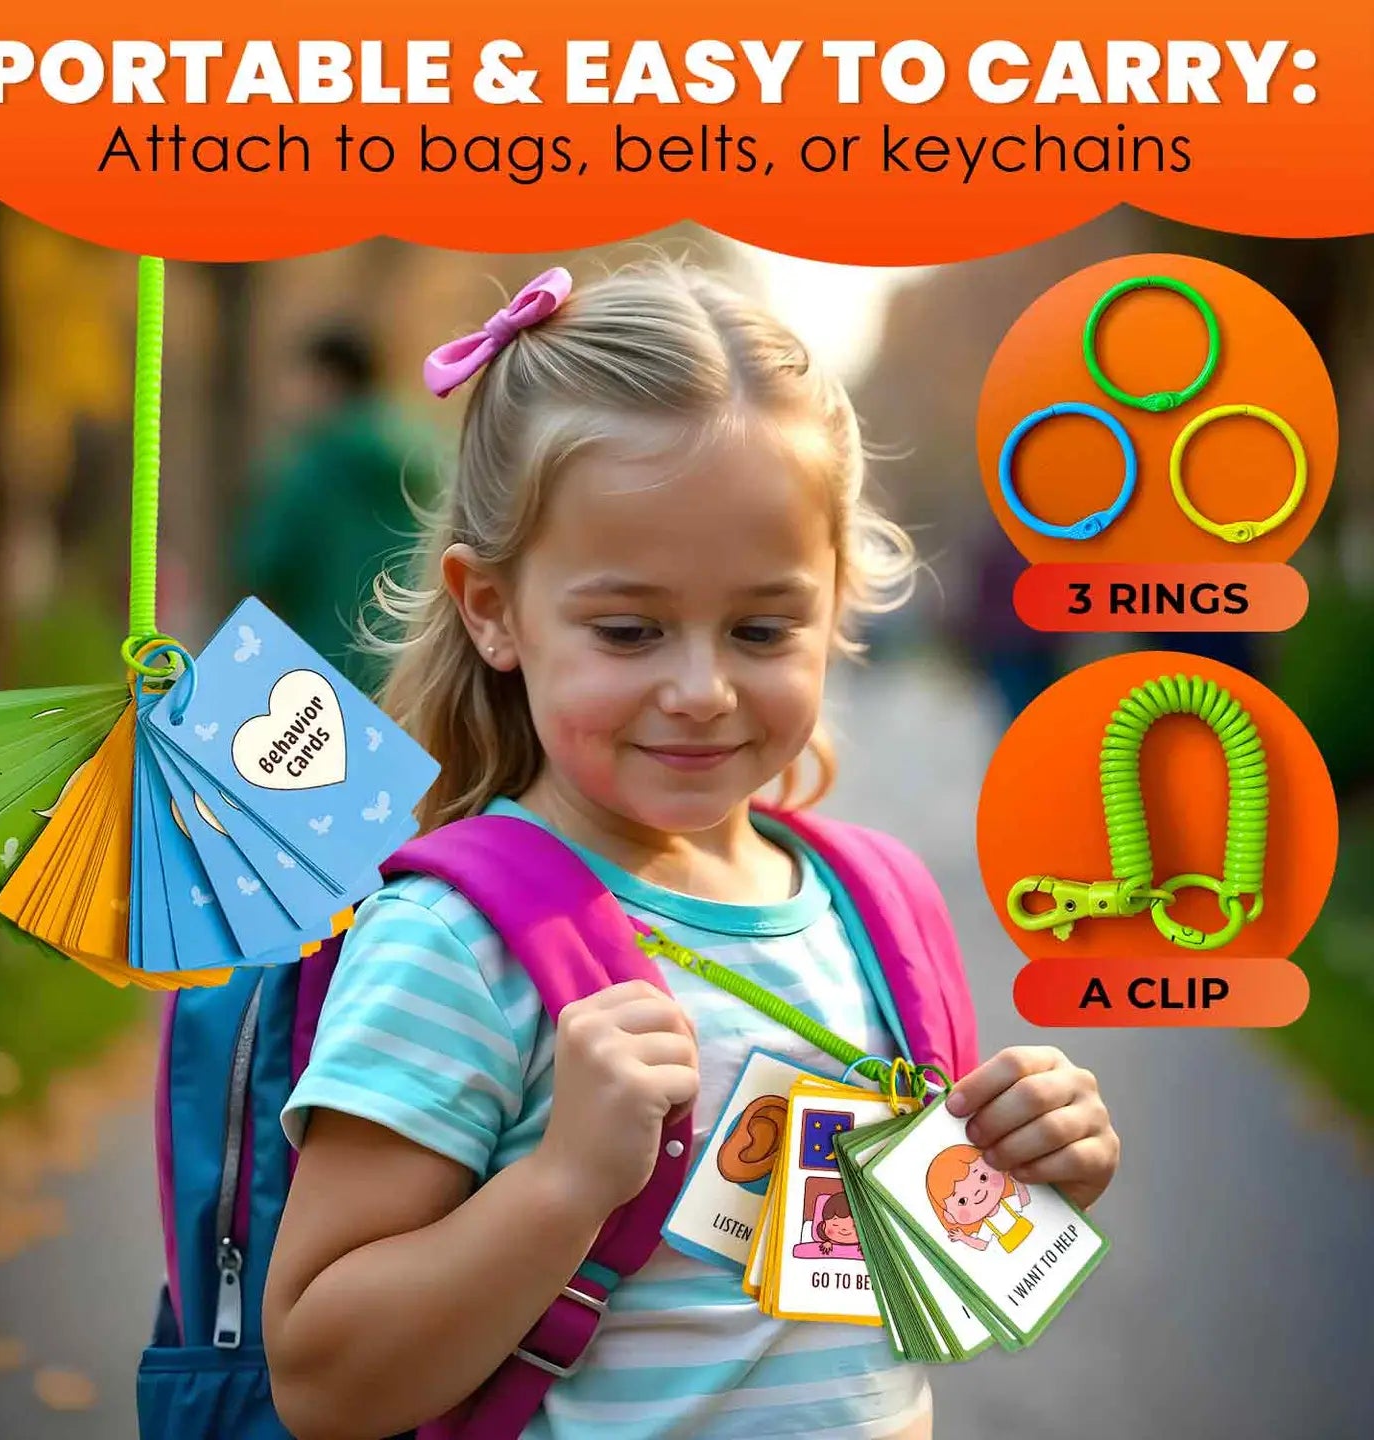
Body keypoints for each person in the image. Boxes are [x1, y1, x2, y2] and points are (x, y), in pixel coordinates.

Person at [263, 262, 1121, 1440]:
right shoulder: (458, 947)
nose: (702, 688)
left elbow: (856, 1303)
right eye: (629, 630)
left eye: (763, 628)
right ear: (492, 609)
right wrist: (562, 1184)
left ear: (837, 604)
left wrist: (1021, 1173)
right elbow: (322, 1380)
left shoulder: (870, 913)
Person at [234, 323, 443, 693]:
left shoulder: (312, 466)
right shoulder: (426, 457)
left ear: (329, 379)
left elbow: (267, 565)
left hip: (325, 665)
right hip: (413, 662)